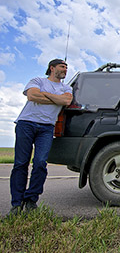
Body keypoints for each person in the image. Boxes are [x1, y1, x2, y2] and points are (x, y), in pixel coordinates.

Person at [9, 59, 73, 215]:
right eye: (62, 67)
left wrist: (44, 95)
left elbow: (66, 100)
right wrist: (54, 99)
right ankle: (16, 204)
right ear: (52, 68)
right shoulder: (37, 80)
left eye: (66, 67)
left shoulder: (66, 87)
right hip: (26, 123)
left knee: (40, 163)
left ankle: (31, 200)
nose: (65, 69)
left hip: (46, 128)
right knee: (20, 164)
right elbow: (31, 96)